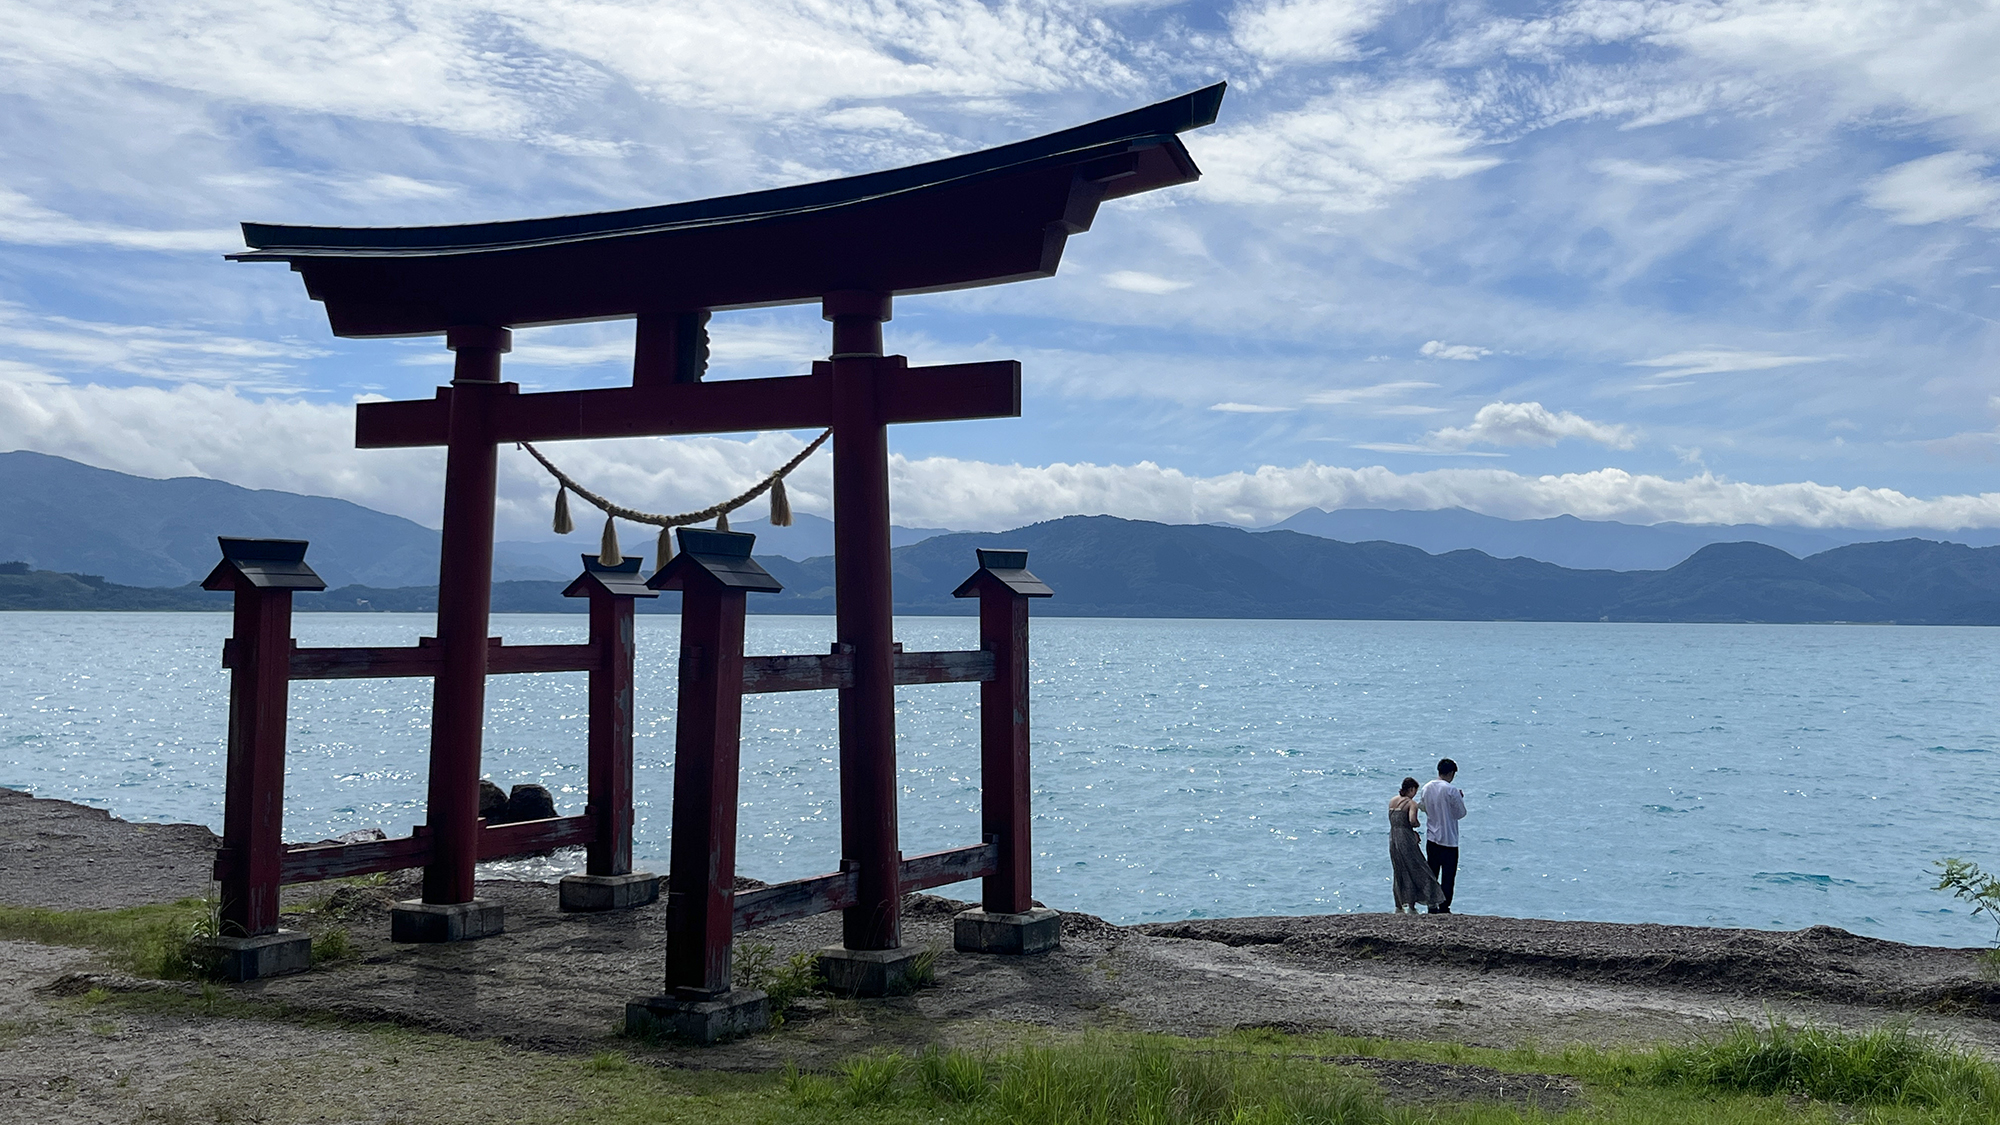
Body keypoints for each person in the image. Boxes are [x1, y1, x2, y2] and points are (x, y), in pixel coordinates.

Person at [1388, 777, 1446, 914]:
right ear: (1412, 789)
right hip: (1406, 839)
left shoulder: (1392, 801)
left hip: (1393, 837)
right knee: (1416, 868)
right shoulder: (1411, 803)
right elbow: (1412, 820)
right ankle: (1414, 906)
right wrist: (1417, 826)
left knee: (1399, 870)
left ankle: (1399, 905)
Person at [1417, 758, 1467, 914]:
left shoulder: (1426, 787)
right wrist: (1460, 797)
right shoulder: (1451, 790)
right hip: (1449, 839)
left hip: (1432, 837)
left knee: (1432, 873)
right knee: (1448, 876)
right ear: (1451, 773)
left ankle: (1431, 904)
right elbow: (1460, 813)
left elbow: (1423, 807)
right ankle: (1444, 906)